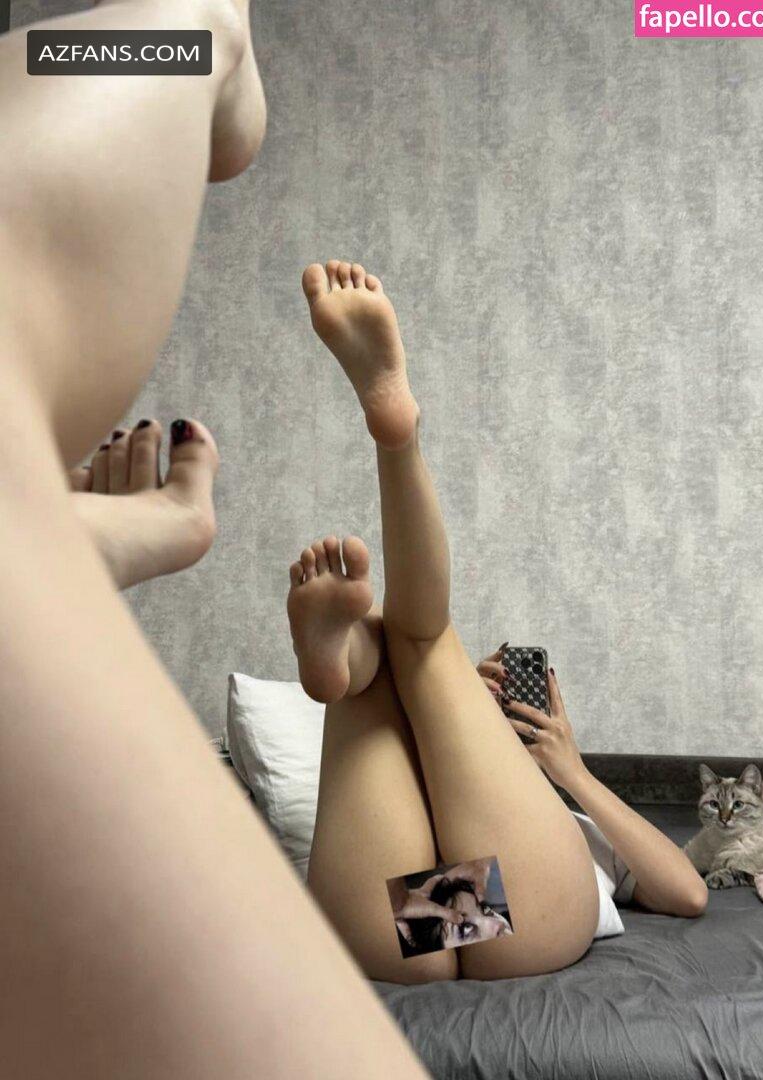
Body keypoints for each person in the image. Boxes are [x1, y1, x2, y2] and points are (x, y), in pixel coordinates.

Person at [0, 4, 428, 1077]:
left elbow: (685, 892)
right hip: (459, 914)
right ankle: (199, 26)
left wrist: (574, 777)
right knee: (418, 654)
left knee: (422, 655)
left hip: (480, 916)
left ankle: (196, 27)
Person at [287, 259, 709, 985]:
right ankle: (395, 450)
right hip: (425, 917)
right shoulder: (529, 819)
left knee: (398, 644)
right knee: (403, 648)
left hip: (418, 918)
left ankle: (351, 656)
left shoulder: (576, 818)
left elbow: (688, 893)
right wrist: (449, 703)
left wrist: (569, 771)